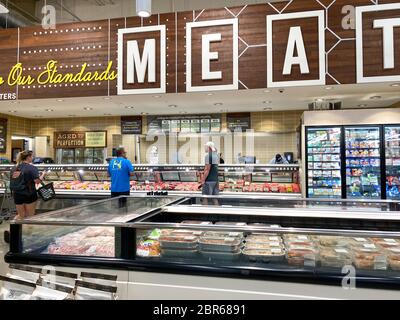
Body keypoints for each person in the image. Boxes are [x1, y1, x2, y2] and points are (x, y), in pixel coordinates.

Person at [10, 150, 46, 219]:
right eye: (32, 156)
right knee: (30, 216)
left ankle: (14, 229)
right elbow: (37, 181)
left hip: (17, 194)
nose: (32, 158)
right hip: (28, 194)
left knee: (20, 215)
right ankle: (28, 229)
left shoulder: (14, 167)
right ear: (28, 157)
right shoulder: (32, 168)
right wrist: (43, 174)